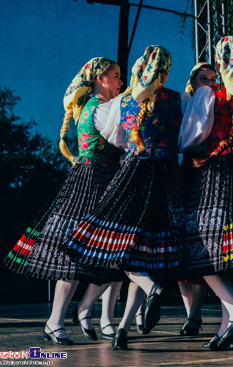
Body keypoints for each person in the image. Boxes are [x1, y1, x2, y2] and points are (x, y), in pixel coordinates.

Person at [63, 45, 184, 349]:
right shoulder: (178, 99)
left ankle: (145, 293)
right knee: (146, 251)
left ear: (138, 72)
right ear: (165, 74)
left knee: (119, 247)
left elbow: (112, 136)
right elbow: (187, 136)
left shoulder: (123, 101)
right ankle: (124, 327)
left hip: (133, 172)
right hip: (168, 174)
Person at [3, 57, 125, 345]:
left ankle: (84, 313)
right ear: (100, 78)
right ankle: (56, 321)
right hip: (91, 183)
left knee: (113, 256)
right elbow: (120, 139)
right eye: (116, 76)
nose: (121, 82)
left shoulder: (94, 106)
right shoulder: (101, 107)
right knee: (73, 257)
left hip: (101, 181)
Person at [178, 36, 233, 351]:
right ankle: (228, 328)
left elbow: (191, 136)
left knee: (202, 250)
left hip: (215, 175)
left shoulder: (208, 93)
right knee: (229, 256)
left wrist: (194, 150)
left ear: (219, 60)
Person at [175, 62, 218, 337]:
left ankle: (195, 314)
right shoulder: (182, 101)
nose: (210, 83)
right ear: (192, 81)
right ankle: (190, 311)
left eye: (214, 79)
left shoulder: (218, 102)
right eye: (204, 78)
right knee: (181, 243)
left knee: (202, 241)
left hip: (209, 171)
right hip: (187, 171)